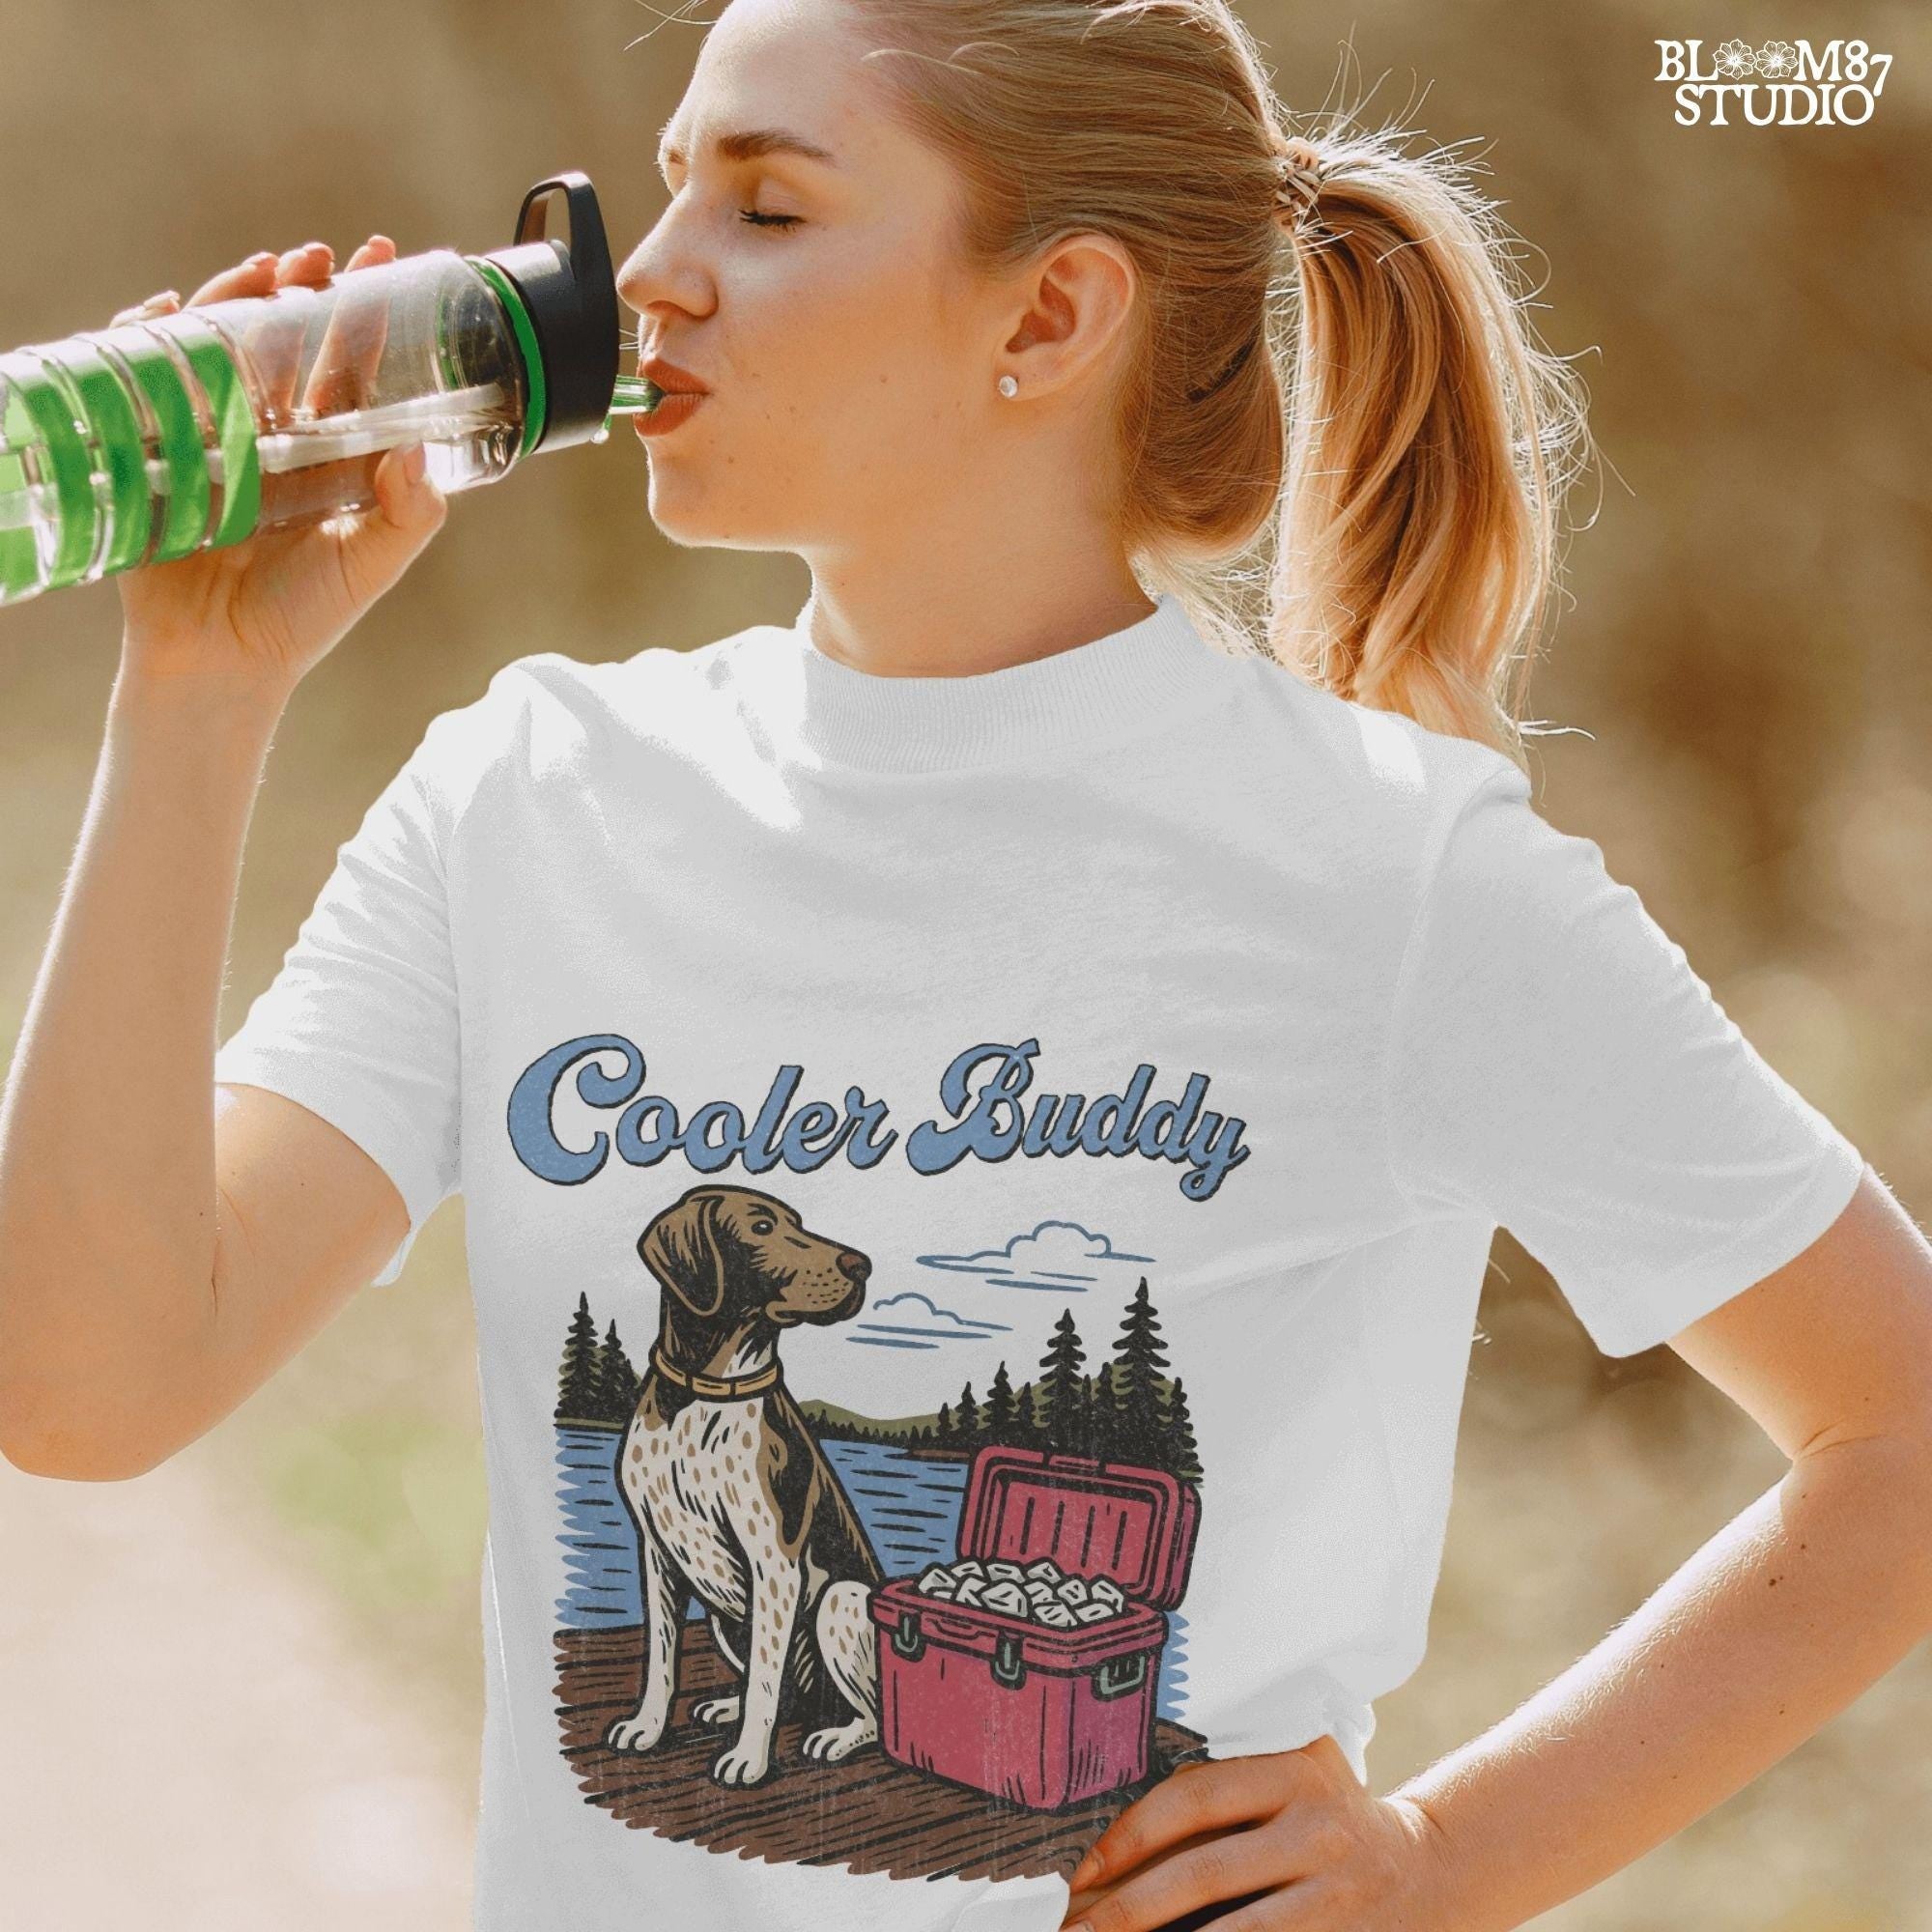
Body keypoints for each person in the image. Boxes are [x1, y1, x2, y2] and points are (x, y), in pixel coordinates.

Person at [3, 0, 1930, 1928]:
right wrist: (200, 691)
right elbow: (85, 1383)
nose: (652, 274)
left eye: (765, 207)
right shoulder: (524, 798)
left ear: (1050, 313)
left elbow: (1901, 1439)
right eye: (669, 189)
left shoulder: (1390, 871)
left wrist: (1443, 1863)